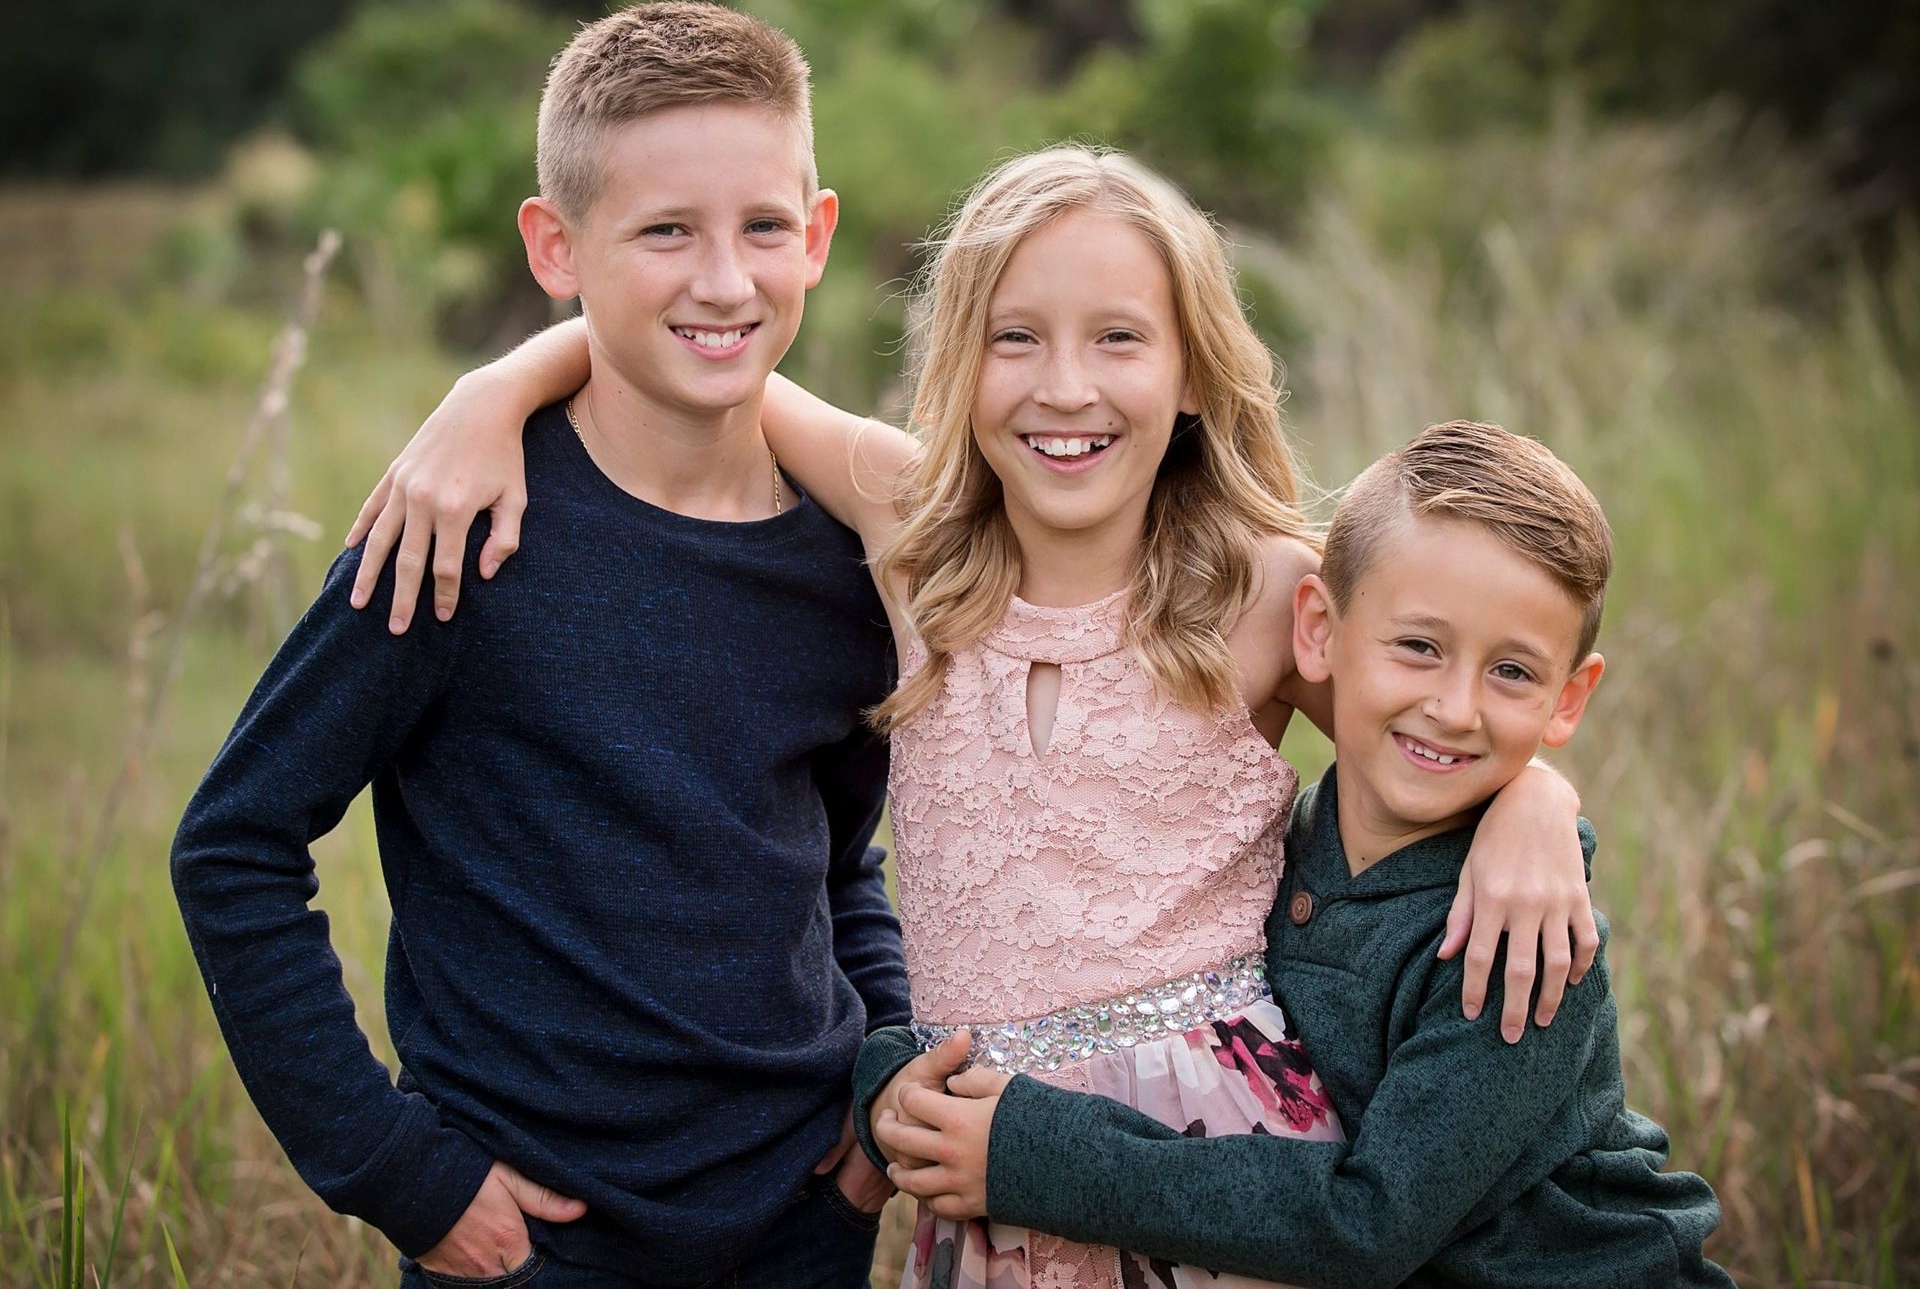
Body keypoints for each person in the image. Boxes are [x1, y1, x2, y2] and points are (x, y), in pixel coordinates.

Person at [349, 147, 1601, 1288]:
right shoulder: (910, 530)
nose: (1068, 389)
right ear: (961, 358)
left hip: (1210, 1154)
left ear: (1191, 374)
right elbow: (700, 367)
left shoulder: (1264, 586)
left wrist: (1540, 806)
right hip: (975, 1160)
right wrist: (494, 390)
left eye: (1120, 339)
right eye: (1017, 338)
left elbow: (1439, 717)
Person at [170, 1, 909, 1289]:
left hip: (803, 1222)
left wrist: (880, 1060)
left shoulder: (847, 560)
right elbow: (233, 845)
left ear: (820, 235)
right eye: (664, 230)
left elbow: (840, 861)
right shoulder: (460, 530)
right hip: (533, 1247)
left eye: (763, 228)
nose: (724, 279)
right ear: (554, 247)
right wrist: (400, 1171)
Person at [867, 421, 1734, 1288]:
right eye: (1420, 647)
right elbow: (1107, 970)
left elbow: (1369, 1224)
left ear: (1568, 697)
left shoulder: (1525, 945)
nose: (1457, 707)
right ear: (1316, 629)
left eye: (1512, 671)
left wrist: (1031, 1154)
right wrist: (899, 1067)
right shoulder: (1280, 848)